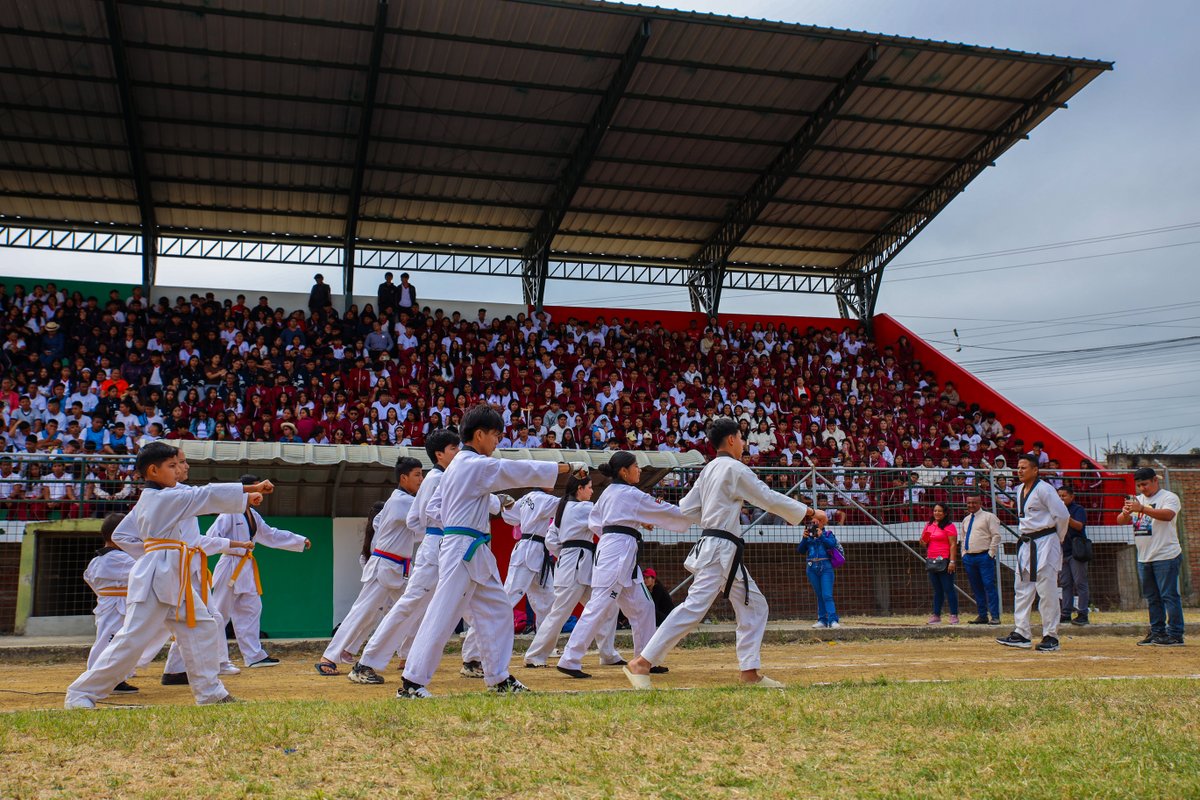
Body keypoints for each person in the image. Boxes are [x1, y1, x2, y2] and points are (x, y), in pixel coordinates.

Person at [399, 405, 586, 698]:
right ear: (480, 434)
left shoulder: (457, 468)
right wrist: (560, 468)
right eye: (496, 435)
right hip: (463, 548)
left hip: (470, 546)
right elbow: (513, 470)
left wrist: (466, 514)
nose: (498, 442)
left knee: (498, 610)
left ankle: (498, 678)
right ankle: (411, 683)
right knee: (443, 613)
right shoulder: (473, 464)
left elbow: (436, 507)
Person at [65, 442, 269, 708]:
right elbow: (203, 495)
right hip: (158, 575)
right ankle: (82, 693)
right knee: (133, 638)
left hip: (173, 574)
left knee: (204, 626)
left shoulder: (151, 499)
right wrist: (250, 490)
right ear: (153, 470)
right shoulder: (164, 497)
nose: (178, 470)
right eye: (172, 466)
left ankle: (210, 693)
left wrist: (155, 551)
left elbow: (120, 535)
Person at [627, 417, 820, 689]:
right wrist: (809, 512)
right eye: (741, 438)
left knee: (754, 605)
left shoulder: (709, 470)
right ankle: (642, 662)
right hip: (719, 550)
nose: (743, 444)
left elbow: (687, 509)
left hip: (721, 549)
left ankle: (749, 672)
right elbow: (768, 498)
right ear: (731, 439)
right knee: (693, 609)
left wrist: (665, 517)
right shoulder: (734, 469)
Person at [348, 431, 491, 684]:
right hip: (441, 546)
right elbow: (423, 518)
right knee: (410, 606)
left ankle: (476, 661)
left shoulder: (440, 478)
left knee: (474, 606)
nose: (458, 453)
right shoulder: (439, 479)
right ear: (439, 454)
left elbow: (414, 520)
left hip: (444, 545)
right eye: (453, 449)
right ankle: (366, 662)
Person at [556, 451, 692, 681]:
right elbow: (664, 510)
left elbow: (595, 522)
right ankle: (569, 659)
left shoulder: (609, 493)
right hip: (617, 553)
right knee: (598, 605)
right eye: (635, 466)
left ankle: (646, 658)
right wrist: (693, 514)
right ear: (624, 471)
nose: (639, 470)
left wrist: (627, 526)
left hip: (618, 550)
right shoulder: (630, 493)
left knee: (644, 607)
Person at [316, 458, 424, 675]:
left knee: (416, 610)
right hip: (384, 567)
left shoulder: (400, 502)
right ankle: (329, 656)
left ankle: (406, 656)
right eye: (417, 475)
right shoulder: (403, 501)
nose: (421, 480)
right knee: (363, 612)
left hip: (398, 568)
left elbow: (410, 529)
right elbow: (429, 517)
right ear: (404, 478)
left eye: (422, 475)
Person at [207, 474, 311, 669]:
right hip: (229, 565)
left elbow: (270, 534)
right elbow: (211, 538)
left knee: (251, 609)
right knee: (219, 613)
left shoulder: (253, 515)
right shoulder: (228, 513)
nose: (259, 494)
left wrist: (298, 540)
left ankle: (254, 656)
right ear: (245, 490)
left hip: (246, 566)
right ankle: (217, 660)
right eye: (256, 489)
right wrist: (233, 546)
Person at [523, 473, 623, 668]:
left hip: (576, 562)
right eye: (590, 487)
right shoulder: (583, 508)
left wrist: (566, 553)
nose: (592, 491)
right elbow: (606, 520)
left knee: (608, 606)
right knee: (560, 612)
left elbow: (551, 541)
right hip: (575, 564)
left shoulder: (562, 509)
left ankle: (608, 653)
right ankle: (534, 655)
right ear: (580, 489)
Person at [996, 454, 1069, 652]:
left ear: (1035, 470)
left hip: (1046, 541)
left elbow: (1062, 515)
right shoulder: (1019, 489)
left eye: (1024, 467)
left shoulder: (1045, 489)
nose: (1019, 471)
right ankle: (1021, 633)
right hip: (1027, 543)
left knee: (1047, 591)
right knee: (1022, 588)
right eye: (1018, 467)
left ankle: (1050, 636)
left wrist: (1058, 538)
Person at [1117, 467, 1184, 646]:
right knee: (1152, 597)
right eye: (1139, 485)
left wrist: (1142, 509)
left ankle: (1176, 633)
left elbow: (1168, 515)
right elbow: (1120, 521)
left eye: (1145, 484)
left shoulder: (1168, 497)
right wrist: (1126, 512)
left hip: (1166, 554)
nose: (1142, 488)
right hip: (1144, 556)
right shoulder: (1137, 500)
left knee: (1169, 595)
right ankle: (1157, 632)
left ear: (1155, 480)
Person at [82, 513, 141, 694]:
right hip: (117, 605)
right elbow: (142, 570)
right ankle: (97, 678)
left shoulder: (98, 559)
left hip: (110, 602)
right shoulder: (120, 558)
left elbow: (88, 577)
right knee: (107, 641)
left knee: (115, 640)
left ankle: (115, 677)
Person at [501, 490, 559, 632]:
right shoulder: (544, 499)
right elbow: (566, 507)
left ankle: (543, 647)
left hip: (538, 552)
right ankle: (476, 640)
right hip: (528, 550)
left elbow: (510, 516)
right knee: (509, 595)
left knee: (548, 600)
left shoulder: (527, 498)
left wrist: (507, 505)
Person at [960, 492, 1003, 625]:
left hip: (984, 556)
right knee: (976, 587)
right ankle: (982, 615)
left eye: (974, 502)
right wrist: (963, 553)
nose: (971, 505)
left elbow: (996, 536)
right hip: (969, 557)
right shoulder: (966, 519)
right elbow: (962, 537)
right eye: (969, 503)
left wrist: (990, 553)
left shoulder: (989, 517)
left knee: (989, 586)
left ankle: (995, 616)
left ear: (980, 503)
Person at [920, 503, 959, 625]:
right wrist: (924, 540)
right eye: (935, 511)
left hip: (945, 560)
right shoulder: (929, 525)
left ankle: (953, 615)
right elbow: (923, 542)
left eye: (940, 511)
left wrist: (952, 561)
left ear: (945, 513)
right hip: (932, 560)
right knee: (937, 590)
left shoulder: (949, 526)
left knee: (948, 588)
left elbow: (953, 544)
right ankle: (936, 615)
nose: (937, 513)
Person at [1057, 485, 1090, 627]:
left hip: (1076, 552)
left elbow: (1079, 526)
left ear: (1072, 496)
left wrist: (1065, 517)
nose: (1061, 499)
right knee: (1065, 583)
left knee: (1080, 583)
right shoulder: (1057, 512)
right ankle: (1066, 612)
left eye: (1064, 496)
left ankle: (1083, 613)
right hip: (1063, 551)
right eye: (1059, 496)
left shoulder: (1078, 510)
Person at [798, 521, 840, 629]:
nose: (814, 524)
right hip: (811, 567)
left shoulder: (828, 534)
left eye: (816, 522)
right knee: (820, 595)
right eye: (812, 523)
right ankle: (822, 620)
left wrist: (821, 536)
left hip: (825, 566)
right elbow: (800, 550)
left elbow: (831, 545)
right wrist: (804, 538)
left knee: (827, 595)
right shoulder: (809, 537)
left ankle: (833, 620)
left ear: (822, 524)